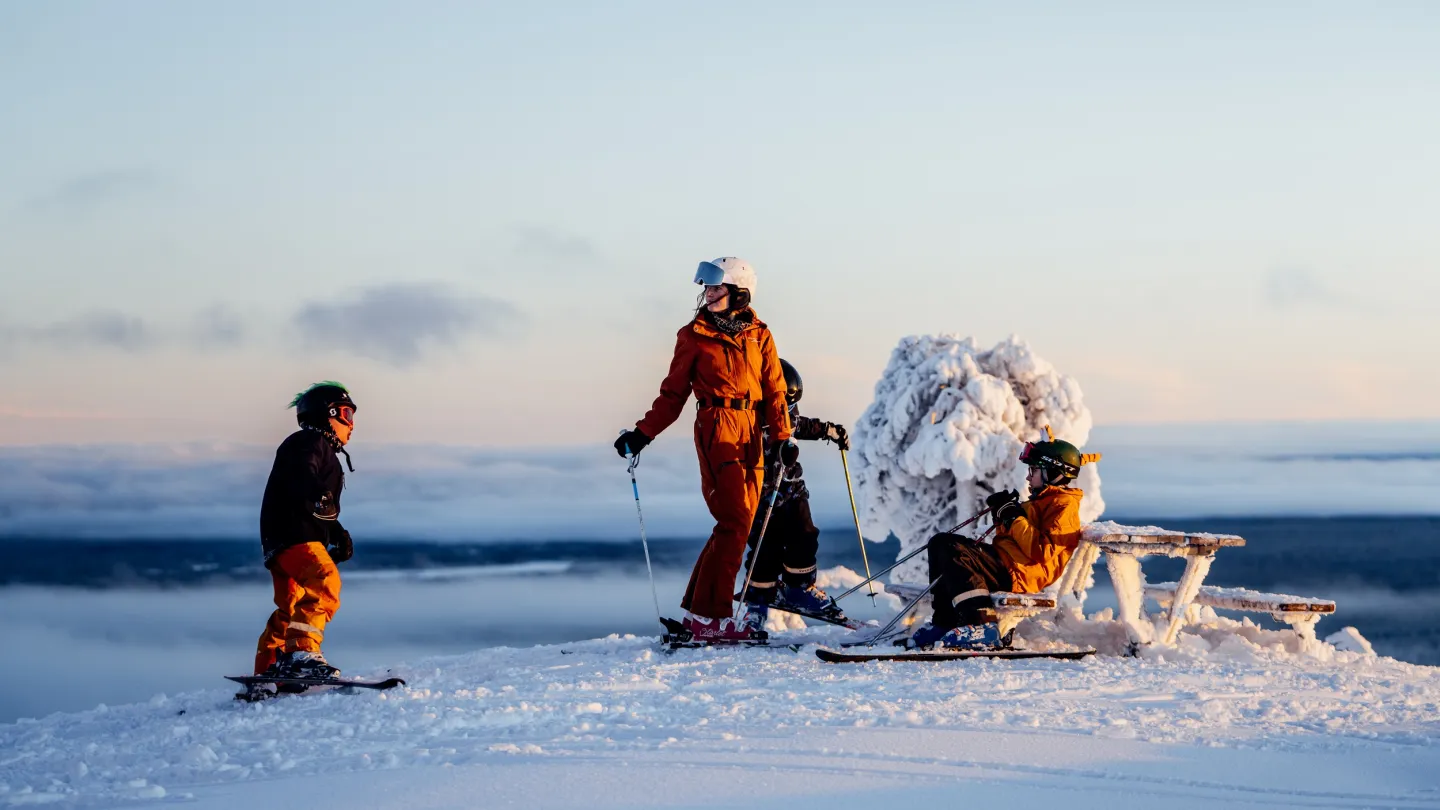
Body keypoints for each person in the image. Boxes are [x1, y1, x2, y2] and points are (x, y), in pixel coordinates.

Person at [615, 257, 793, 643]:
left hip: (752, 433)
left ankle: (700, 616)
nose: (708, 295)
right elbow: (673, 393)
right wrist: (643, 434)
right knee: (734, 520)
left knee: (738, 524)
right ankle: (711, 619)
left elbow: (775, 389)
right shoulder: (693, 335)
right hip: (717, 426)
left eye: (717, 288)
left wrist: (782, 438)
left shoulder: (759, 334)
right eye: (707, 289)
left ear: (739, 292)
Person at [904, 428, 1101, 650]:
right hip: (1010, 565)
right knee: (941, 543)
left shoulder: (1063, 507)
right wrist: (1003, 514)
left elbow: (1042, 551)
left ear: (1053, 472)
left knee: (952, 549)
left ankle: (981, 624)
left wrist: (1014, 517)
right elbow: (1014, 538)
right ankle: (944, 623)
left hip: (1022, 573)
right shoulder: (1041, 502)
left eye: (1034, 470)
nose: (1028, 476)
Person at [252, 381, 358, 686]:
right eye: (347, 415)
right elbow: (303, 477)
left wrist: (336, 531)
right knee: (324, 580)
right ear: (329, 414)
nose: (352, 425)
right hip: (297, 535)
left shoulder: (315, 447)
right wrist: (319, 498)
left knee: (291, 606)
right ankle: (301, 654)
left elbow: (308, 494)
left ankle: (268, 672)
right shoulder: (309, 442)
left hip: (280, 539)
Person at [740, 358, 852, 626]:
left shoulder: (787, 411)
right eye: (784, 404)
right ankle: (758, 596)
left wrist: (828, 430)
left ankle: (798, 587)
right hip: (762, 493)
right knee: (765, 545)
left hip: (791, 488)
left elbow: (799, 424)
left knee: (804, 534)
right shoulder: (749, 418)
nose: (788, 410)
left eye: (791, 405)